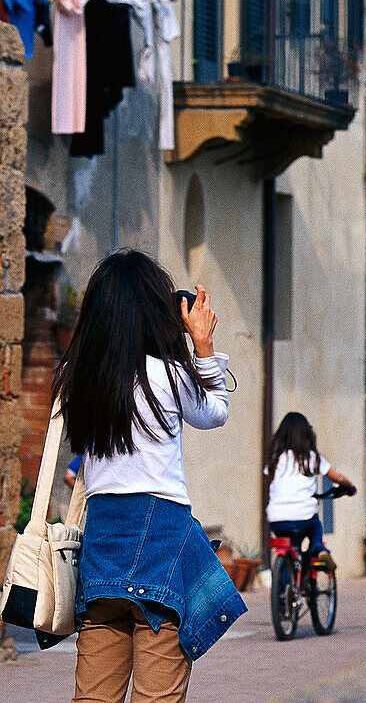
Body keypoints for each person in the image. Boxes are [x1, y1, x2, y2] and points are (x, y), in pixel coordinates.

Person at [54, 250, 246, 703]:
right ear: (155, 312)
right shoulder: (169, 374)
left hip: (102, 549)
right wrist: (201, 345)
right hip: (160, 543)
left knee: (94, 697)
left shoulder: (76, 378)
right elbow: (215, 412)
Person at [265, 412, 355, 571]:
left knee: (290, 546)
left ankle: (286, 582)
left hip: (277, 519)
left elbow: (268, 481)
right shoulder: (311, 457)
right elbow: (338, 477)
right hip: (304, 518)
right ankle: (319, 548)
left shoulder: (275, 458)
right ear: (307, 434)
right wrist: (350, 487)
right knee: (315, 525)